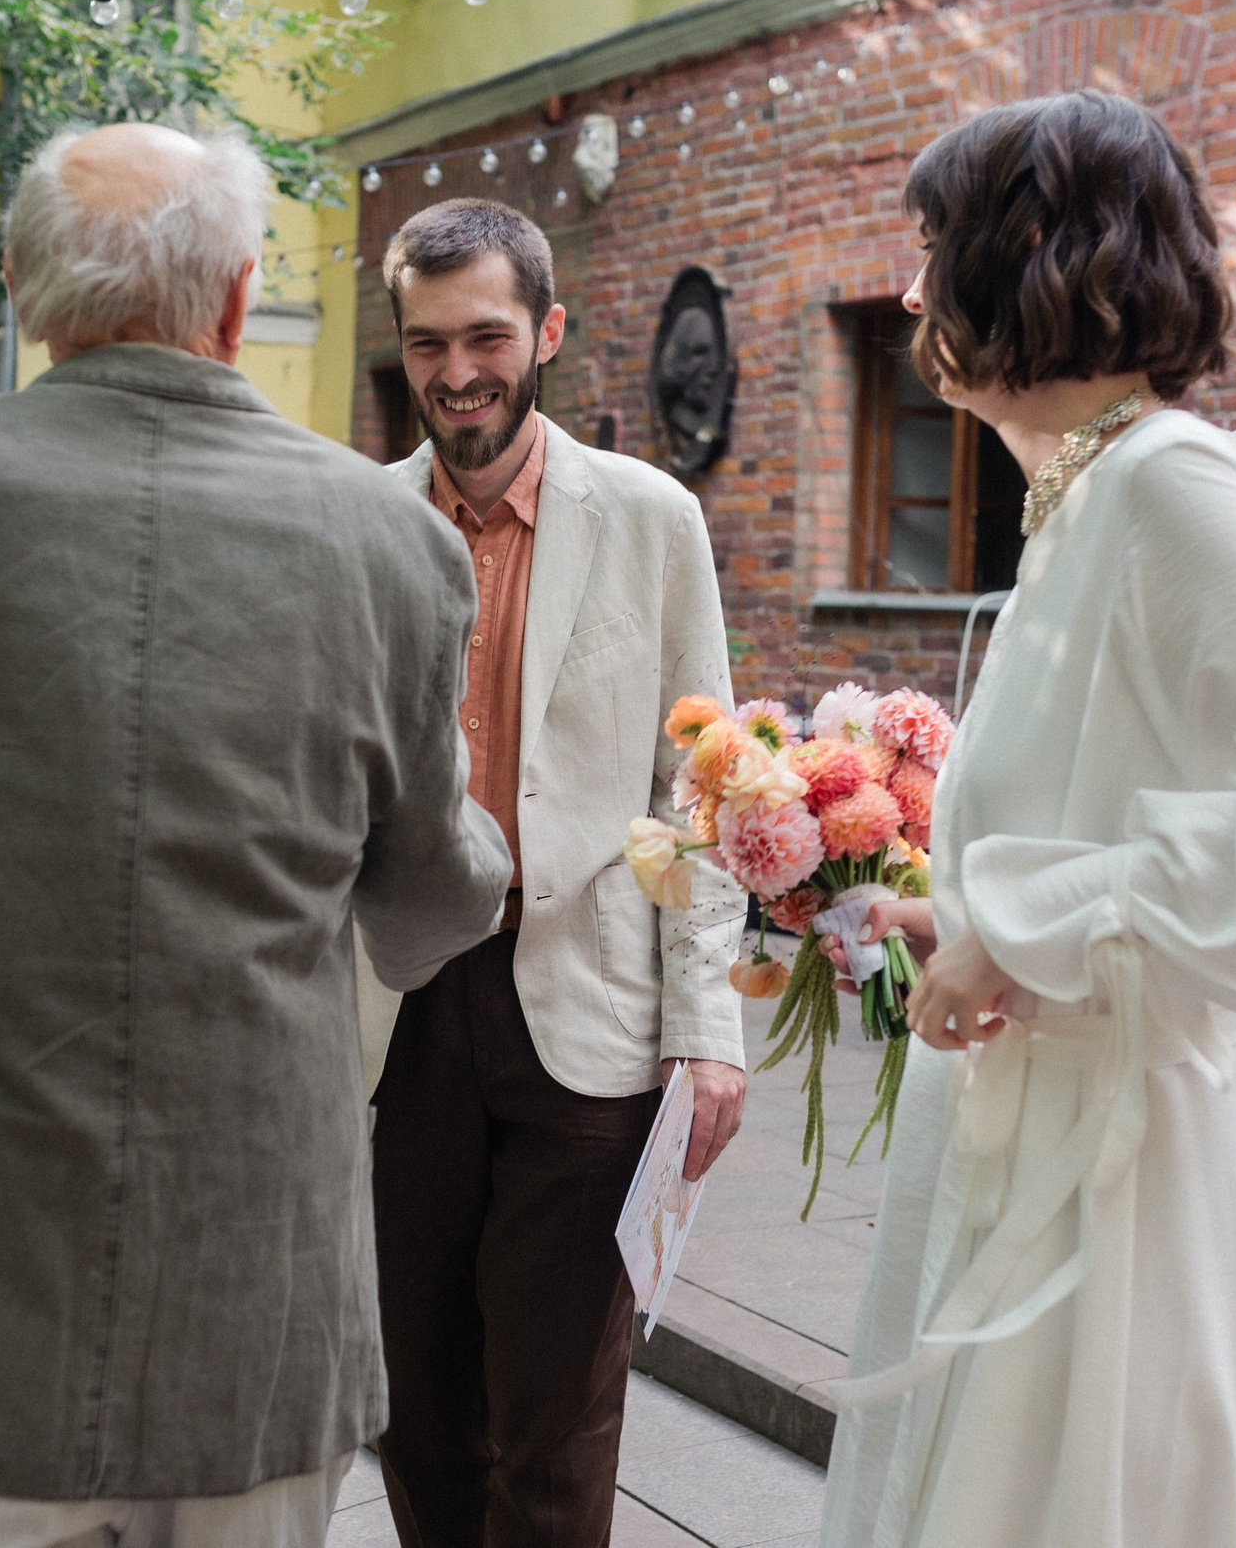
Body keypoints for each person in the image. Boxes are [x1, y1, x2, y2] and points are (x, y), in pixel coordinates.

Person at [0, 123, 513, 1548]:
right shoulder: (392, 537)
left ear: (24, 288)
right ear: (237, 296)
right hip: (251, 1289)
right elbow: (428, 901)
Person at [816, 92, 1236, 1548]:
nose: (909, 292)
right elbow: (1126, 799)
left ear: (1023, 256)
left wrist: (1036, 920)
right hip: (1031, 1129)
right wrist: (956, 917)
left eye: (930, 248)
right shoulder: (1081, 494)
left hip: (1116, 1174)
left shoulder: (1174, 480)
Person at [366, 197, 748, 1548]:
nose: (457, 372)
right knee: (410, 1403)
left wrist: (709, 1033)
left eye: (485, 336)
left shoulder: (650, 520)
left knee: (562, 1417)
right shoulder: (351, 526)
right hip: (393, 1006)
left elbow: (699, 786)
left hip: (589, 1004)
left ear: (548, 331)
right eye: (426, 344)